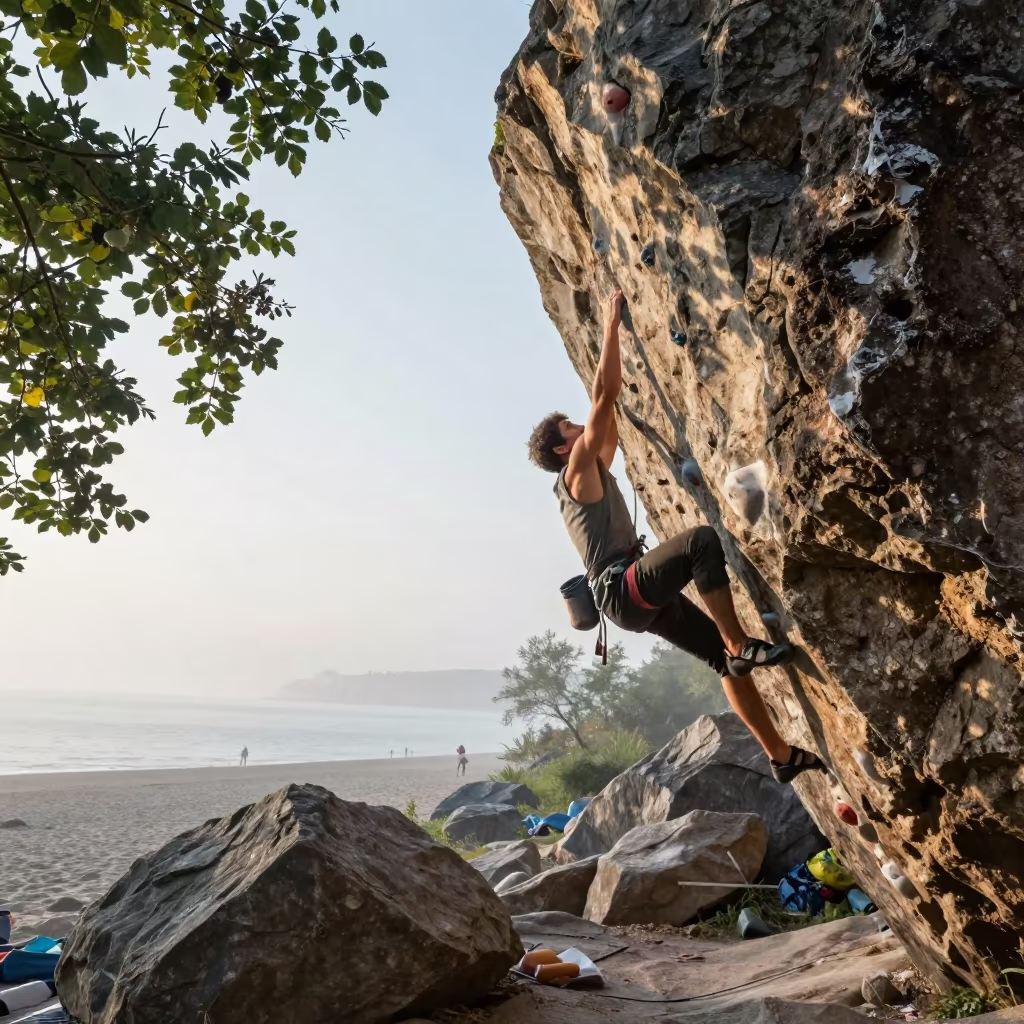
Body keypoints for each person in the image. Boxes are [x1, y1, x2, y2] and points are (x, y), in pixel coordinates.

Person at [526, 288, 825, 785]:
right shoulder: (576, 473)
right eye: (571, 427)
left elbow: (611, 415)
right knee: (700, 542)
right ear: (563, 448)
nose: (582, 427)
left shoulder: (591, 467)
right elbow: (604, 397)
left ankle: (780, 755)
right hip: (623, 589)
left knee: (724, 667)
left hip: (631, 601)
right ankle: (739, 640)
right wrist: (608, 326)